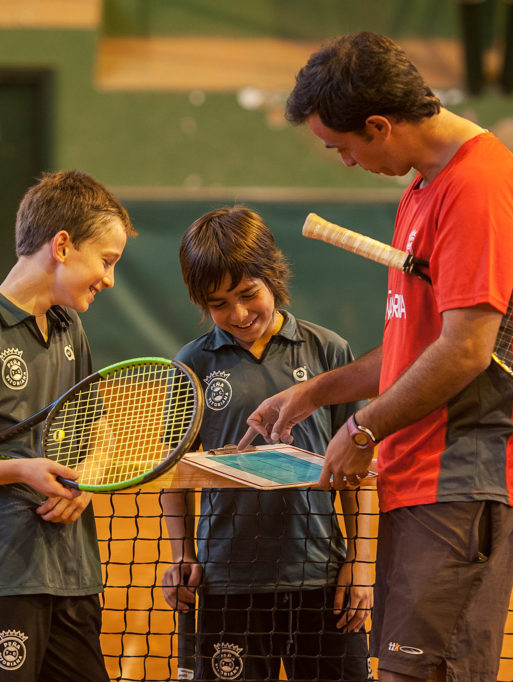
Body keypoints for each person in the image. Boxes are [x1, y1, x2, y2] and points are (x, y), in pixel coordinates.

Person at [237, 32, 513, 682]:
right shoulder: (422, 191)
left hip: (463, 478)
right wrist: (316, 393)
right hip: (421, 479)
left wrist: (362, 427)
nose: (345, 161)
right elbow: (417, 344)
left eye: (343, 145)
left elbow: (465, 350)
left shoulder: (478, 187)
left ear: (379, 125)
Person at [0, 170, 135, 681]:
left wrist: (89, 479)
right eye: (106, 261)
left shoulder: (69, 327)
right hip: (2, 574)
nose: (109, 279)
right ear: (61, 245)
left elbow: (94, 427)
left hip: (74, 573)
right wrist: (23, 470)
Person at [160, 206, 375, 682]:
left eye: (247, 294)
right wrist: (182, 554)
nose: (237, 314)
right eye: (218, 304)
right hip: (226, 582)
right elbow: (174, 475)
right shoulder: (191, 364)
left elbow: (357, 475)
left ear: (273, 276)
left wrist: (359, 564)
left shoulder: (329, 352)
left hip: (320, 578)